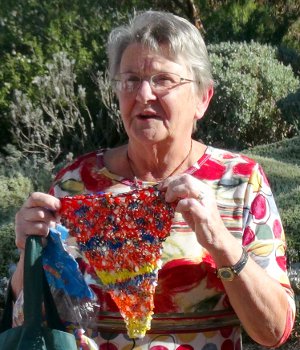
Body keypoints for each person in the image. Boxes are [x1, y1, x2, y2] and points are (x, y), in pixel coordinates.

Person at [11, 10, 295, 350]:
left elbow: (275, 331)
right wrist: (28, 251)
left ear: (202, 99)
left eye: (162, 79)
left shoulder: (241, 182)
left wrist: (221, 243)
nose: (143, 94)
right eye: (130, 80)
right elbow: (26, 320)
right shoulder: (75, 183)